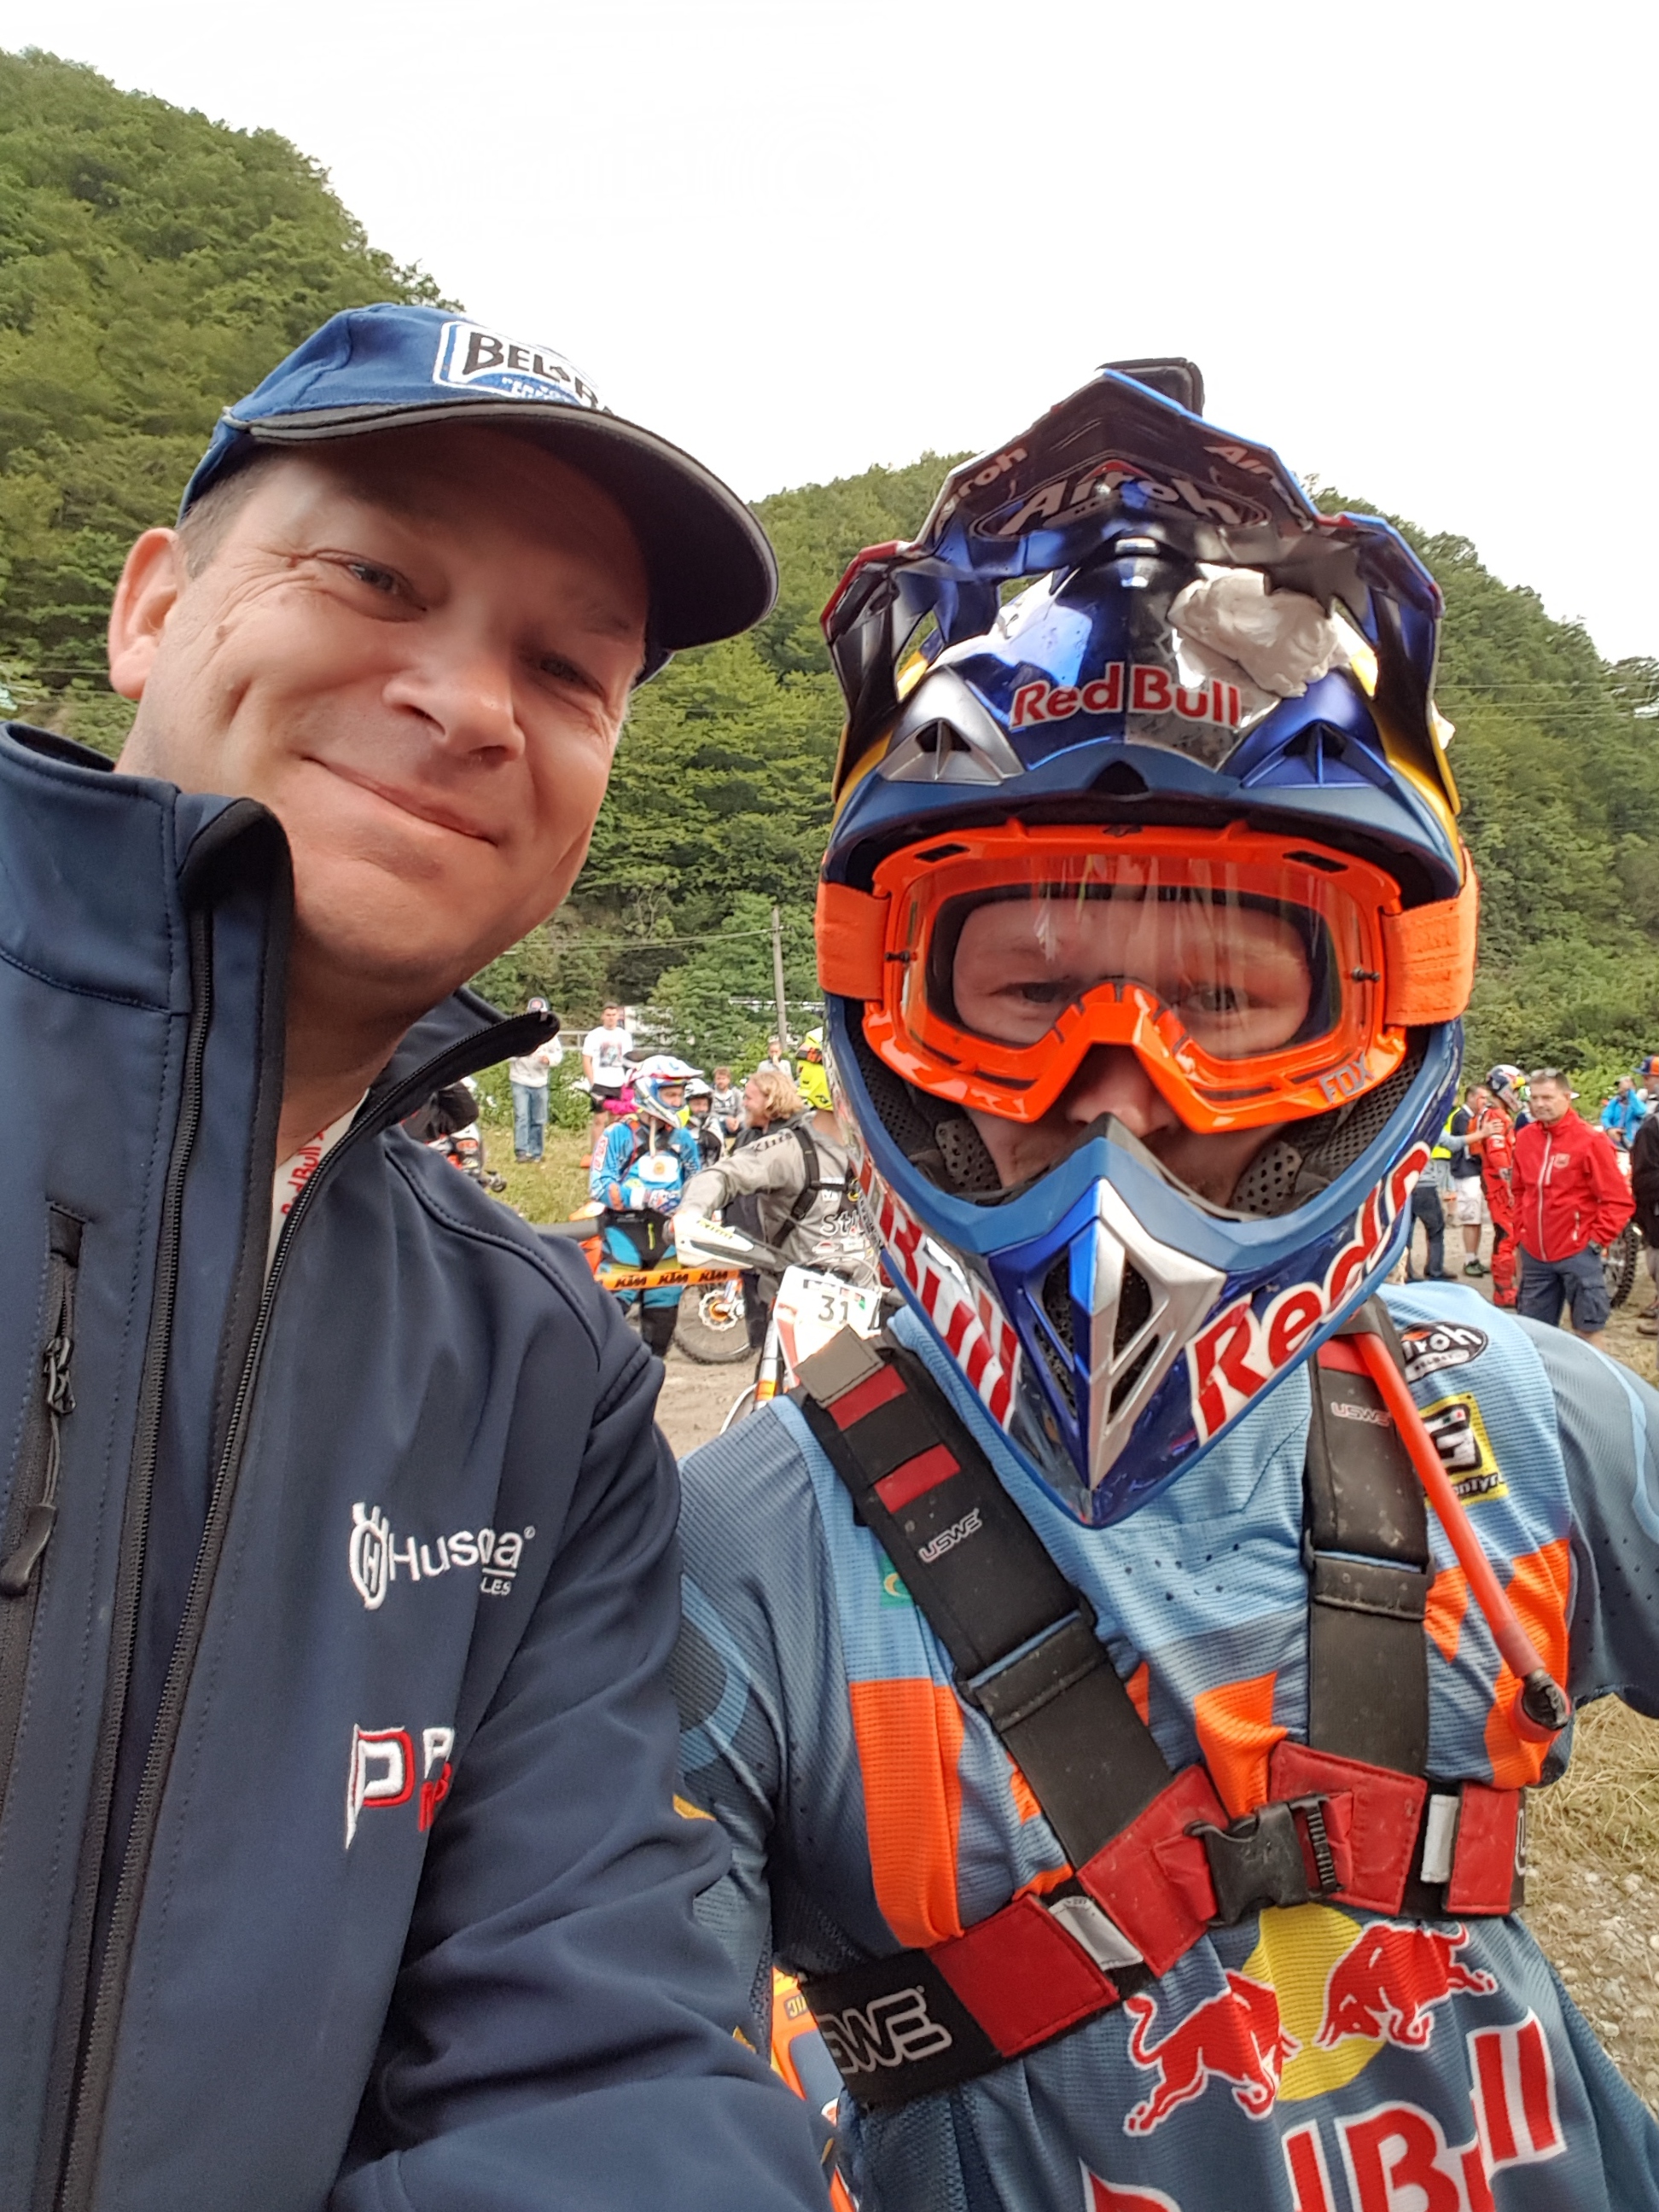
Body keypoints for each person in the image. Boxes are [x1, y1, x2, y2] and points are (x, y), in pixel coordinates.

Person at [669, 366, 1659, 2210]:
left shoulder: (1531, 1420)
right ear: (892, 1000)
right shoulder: (743, 1550)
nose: (1121, 1085)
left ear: (1378, 1019)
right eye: (1028, 994)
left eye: (1222, 1000)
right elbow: (609, 2071)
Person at [0, 301, 829, 2210]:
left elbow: (597, 2049)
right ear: (151, 608)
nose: (468, 703)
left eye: (566, 667)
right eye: (376, 577)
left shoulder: (540, 1374)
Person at [675, 1062, 853, 1353]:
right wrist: (692, 1213)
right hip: (795, 1300)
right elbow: (722, 1175)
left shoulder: (880, 1150)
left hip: (867, 1299)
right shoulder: (788, 1150)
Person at [590, 1054, 704, 1356]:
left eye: (680, 1095)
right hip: (625, 1233)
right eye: (670, 1095)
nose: (677, 1101)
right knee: (610, 1317)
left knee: (661, 1327)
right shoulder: (618, 1134)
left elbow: (699, 1182)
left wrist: (695, 1206)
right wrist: (645, 1197)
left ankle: (653, 1374)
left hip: (669, 1238)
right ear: (648, 1093)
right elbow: (598, 1185)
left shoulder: (683, 1139)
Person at [1511, 1068, 1633, 1351]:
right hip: (1535, 1254)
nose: (1540, 1104)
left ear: (1567, 1097)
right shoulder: (1526, 1138)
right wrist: (1521, 1233)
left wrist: (1595, 1241)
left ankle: (1593, 1379)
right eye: (1534, 1098)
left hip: (1577, 1252)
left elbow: (1618, 1200)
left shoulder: (1590, 1140)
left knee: (1587, 1330)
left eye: (1548, 1097)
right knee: (1534, 1334)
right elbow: (1519, 1190)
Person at [1469, 1077, 1520, 1308]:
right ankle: (1504, 1291)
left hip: (1498, 1183)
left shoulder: (1493, 1113)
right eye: (1517, 1090)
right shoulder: (1496, 1116)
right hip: (1499, 1185)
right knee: (1506, 1236)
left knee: (1507, 1235)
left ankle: (1508, 1287)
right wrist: (1509, 1185)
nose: (1519, 1095)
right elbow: (1498, 1155)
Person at [508, 992, 562, 1161]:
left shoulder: (551, 1035)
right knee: (522, 1116)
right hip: (520, 1080)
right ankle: (521, 1151)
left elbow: (558, 1055)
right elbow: (506, 1053)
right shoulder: (518, 1032)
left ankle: (536, 1152)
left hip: (540, 1082)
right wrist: (521, 1052)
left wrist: (549, 1060)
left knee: (538, 1119)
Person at [580, 1002, 634, 1162]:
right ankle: (596, 1153)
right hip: (600, 1082)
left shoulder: (625, 1036)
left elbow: (629, 1060)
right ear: (603, 1016)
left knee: (616, 1120)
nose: (611, 1018)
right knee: (599, 1119)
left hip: (619, 1082)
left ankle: (613, 1152)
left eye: (613, 1015)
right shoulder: (594, 1035)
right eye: (608, 1015)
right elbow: (586, 1060)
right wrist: (592, 1082)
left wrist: (629, 1083)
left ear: (618, 1016)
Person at [1447, 1087, 1487, 1273]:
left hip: (1473, 1170)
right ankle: (1469, 1260)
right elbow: (1466, 1146)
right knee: (1471, 1217)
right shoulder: (1462, 1117)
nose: (1485, 1102)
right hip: (1466, 1171)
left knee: (1477, 1217)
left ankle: (1474, 1258)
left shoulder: (1472, 1116)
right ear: (1471, 1097)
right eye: (1482, 1097)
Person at [1406, 1125, 1452, 1280]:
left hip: (1405, 1182)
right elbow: (1451, 1143)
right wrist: (1481, 1134)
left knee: (1406, 1230)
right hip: (1424, 1184)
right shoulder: (1429, 1124)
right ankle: (1435, 1269)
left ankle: (1406, 1270)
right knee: (1436, 1229)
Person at [683, 1076, 725, 1167]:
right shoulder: (678, 1129)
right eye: (697, 1104)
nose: (702, 1109)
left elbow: (719, 1159)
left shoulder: (713, 1127)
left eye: (705, 1104)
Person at [1601, 1072, 1648, 1150]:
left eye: (1624, 1087)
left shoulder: (1638, 1102)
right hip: (1615, 1143)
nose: (1622, 1089)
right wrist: (1609, 1129)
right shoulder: (1615, 1102)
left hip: (1632, 1145)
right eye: (1620, 1087)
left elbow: (1641, 1112)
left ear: (1634, 1087)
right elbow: (1605, 1117)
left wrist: (1630, 1092)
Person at [710, 1063, 743, 1146]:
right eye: (718, 1079)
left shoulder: (736, 1093)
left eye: (723, 1079)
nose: (721, 1081)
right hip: (719, 1121)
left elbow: (742, 1111)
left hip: (735, 1121)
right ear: (715, 1080)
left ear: (728, 1080)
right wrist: (725, 1119)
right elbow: (710, 1113)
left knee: (746, 1125)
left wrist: (737, 1121)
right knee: (713, 1125)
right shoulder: (710, 1094)